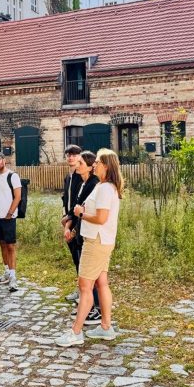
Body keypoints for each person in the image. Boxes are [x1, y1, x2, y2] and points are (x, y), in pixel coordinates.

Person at [55, 148, 124, 347]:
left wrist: (81, 213)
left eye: (99, 163)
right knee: (102, 283)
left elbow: (101, 218)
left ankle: (76, 332)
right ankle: (105, 327)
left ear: (107, 166)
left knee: (85, 286)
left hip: (96, 241)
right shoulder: (106, 186)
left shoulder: (104, 188)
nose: (95, 165)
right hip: (103, 240)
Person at [63, 151, 102, 326]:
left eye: (79, 163)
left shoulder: (93, 184)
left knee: (90, 274)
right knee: (85, 271)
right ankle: (89, 305)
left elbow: (85, 210)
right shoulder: (83, 183)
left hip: (89, 233)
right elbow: (75, 207)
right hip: (80, 230)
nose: (76, 166)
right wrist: (68, 222)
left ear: (88, 166)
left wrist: (73, 226)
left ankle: (94, 308)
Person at [0, 152, 22, 292]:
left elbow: (18, 196)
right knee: (2, 245)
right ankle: (7, 272)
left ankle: (13, 277)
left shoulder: (12, 176)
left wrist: (9, 213)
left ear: (4, 160)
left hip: (8, 217)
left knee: (10, 246)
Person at [60, 144, 82, 302]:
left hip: (78, 221)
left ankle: (85, 292)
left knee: (82, 258)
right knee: (75, 257)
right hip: (68, 219)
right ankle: (80, 289)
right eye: (68, 154)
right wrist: (64, 216)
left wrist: (70, 221)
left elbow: (79, 202)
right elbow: (65, 199)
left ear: (80, 157)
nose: (71, 157)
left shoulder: (82, 177)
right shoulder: (68, 177)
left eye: (74, 154)